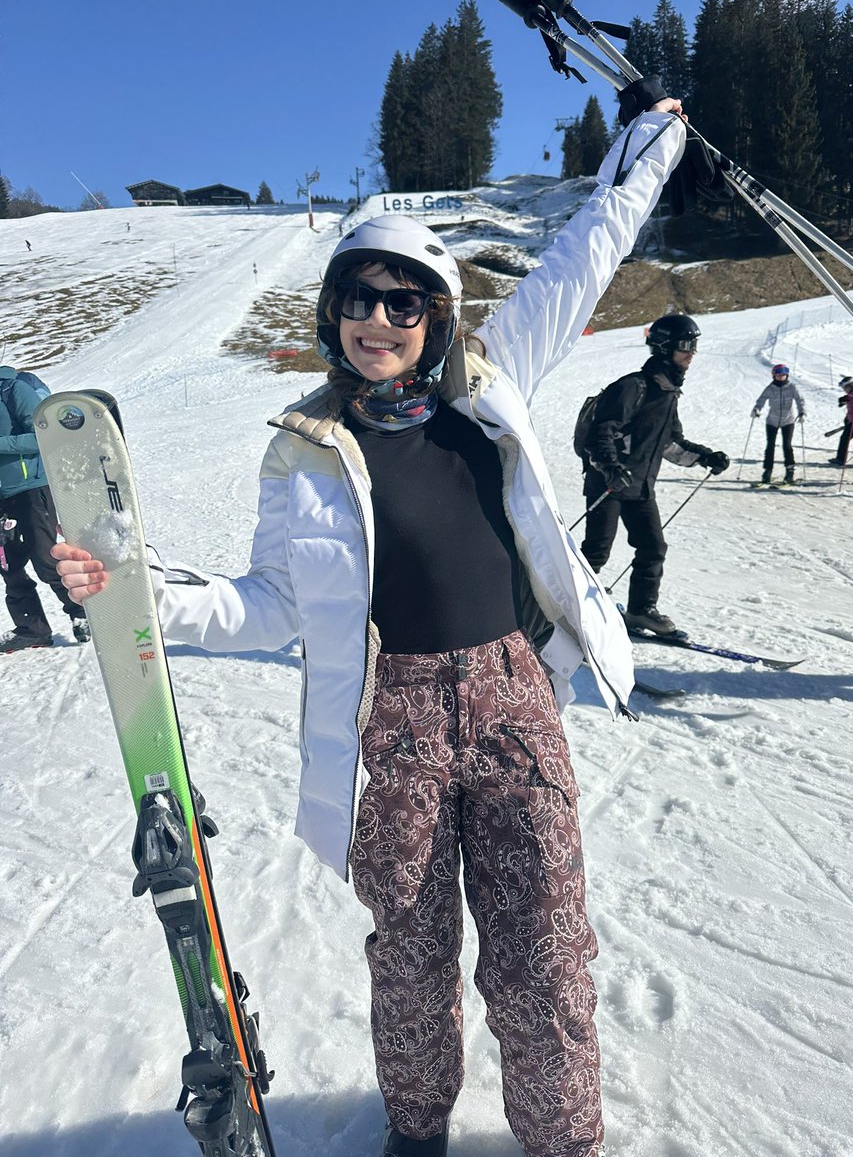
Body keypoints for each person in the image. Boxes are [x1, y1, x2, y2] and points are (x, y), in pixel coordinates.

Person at [54, 95, 688, 1157]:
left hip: (509, 698)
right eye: (359, 297)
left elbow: (587, 256)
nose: (380, 320)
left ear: (438, 316)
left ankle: (564, 1140)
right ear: (333, 312)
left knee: (543, 952)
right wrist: (133, 594)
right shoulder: (303, 451)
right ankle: (416, 1132)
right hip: (390, 722)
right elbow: (268, 604)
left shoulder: (493, 387)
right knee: (409, 955)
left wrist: (651, 148)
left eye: (406, 302)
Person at [579, 314, 730, 636]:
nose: (692, 353)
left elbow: (670, 444)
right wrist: (610, 467)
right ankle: (568, 612)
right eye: (686, 346)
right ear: (664, 348)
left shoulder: (667, 394)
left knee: (652, 548)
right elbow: (601, 434)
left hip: (639, 487)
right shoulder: (634, 387)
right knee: (596, 551)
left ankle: (640, 611)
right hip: (608, 484)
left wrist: (705, 458)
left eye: (695, 346)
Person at [0, 366, 90, 651]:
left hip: (31, 488)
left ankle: (83, 614)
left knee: (45, 556)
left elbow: (44, 434)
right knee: (8, 564)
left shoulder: (12, 389)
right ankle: (32, 628)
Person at [752, 363, 805, 483]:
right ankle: (767, 471)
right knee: (770, 446)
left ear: (786, 375)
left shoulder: (792, 387)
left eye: (783, 375)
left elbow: (799, 400)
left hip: (788, 420)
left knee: (787, 445)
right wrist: (757, 409)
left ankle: (790, 471)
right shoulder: (770, 388)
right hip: (772, 420)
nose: (781, 377)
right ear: (773, 376)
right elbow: (761, 400)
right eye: (778, 375)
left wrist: (802, 412)